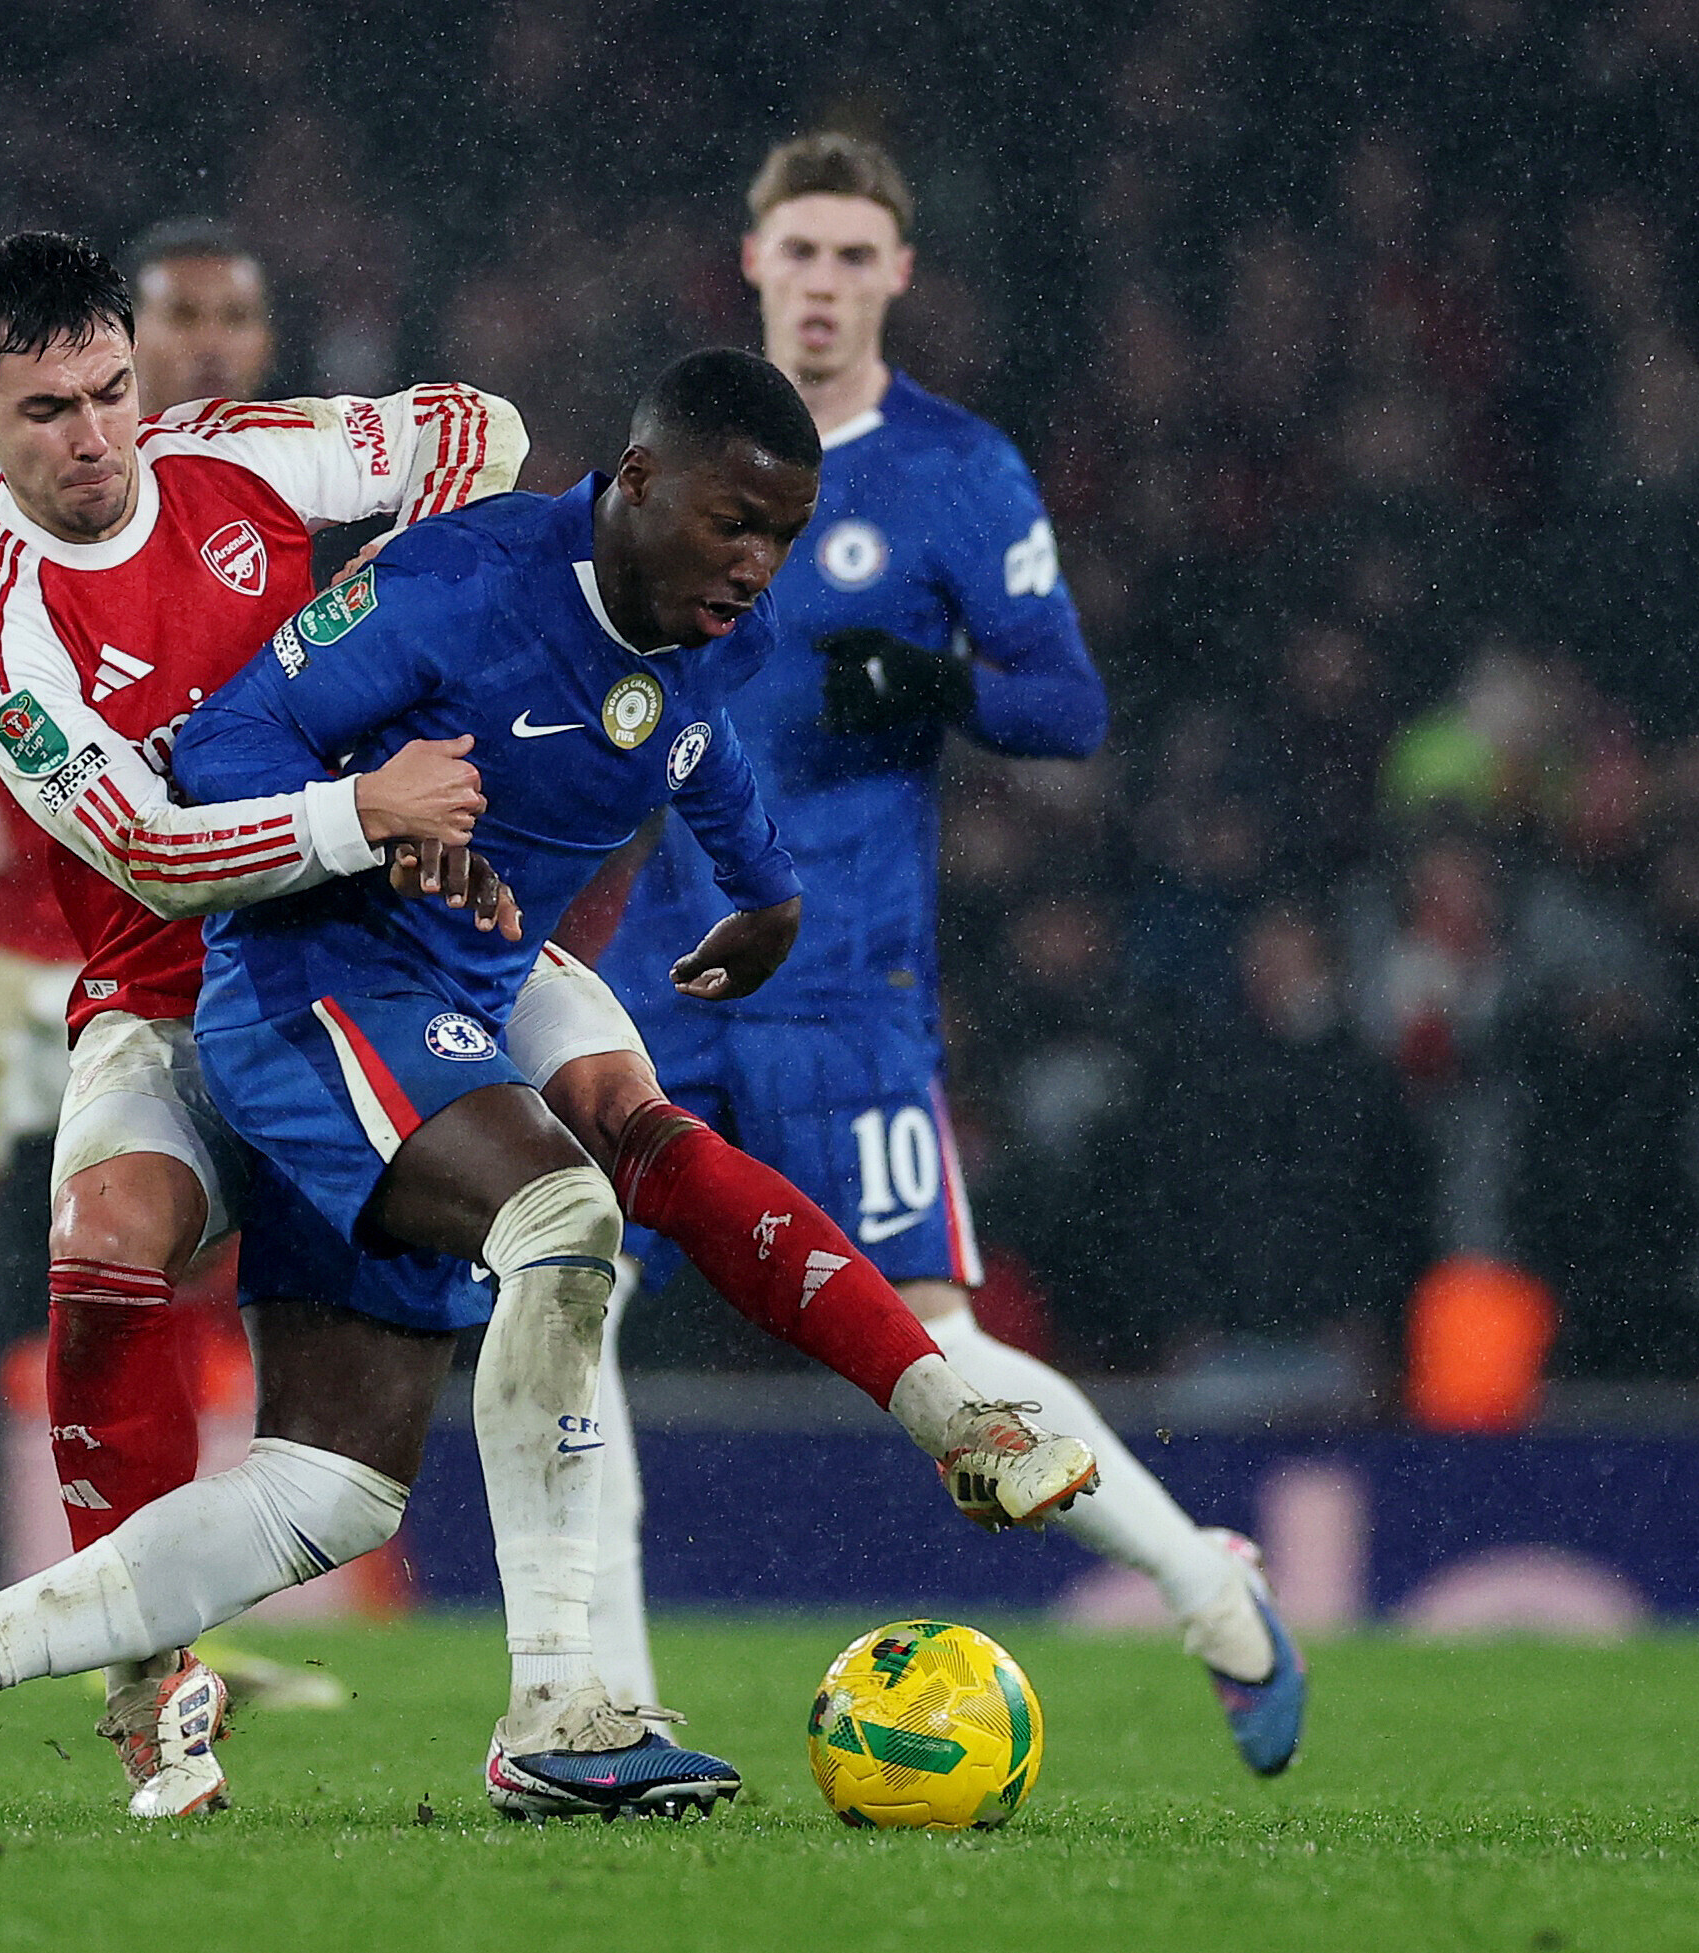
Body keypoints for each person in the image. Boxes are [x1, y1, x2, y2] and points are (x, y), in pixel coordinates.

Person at [0, 349, 1103, 1823]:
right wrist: (371, 807)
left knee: (337, 1485)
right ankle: (563, 1703)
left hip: (473, 979)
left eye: (783, 535)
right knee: (564, 1209)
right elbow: (223, 743)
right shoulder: (452, 583)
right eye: (735, 524)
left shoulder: (703, 621)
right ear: (638, 482)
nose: (758, 563)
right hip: (320, 980)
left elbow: (689, 737)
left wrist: (769, 890)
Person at [589, 134, 1305, 1774]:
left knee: (937, 1339)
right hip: (659, 970)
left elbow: (1071, 706)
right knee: (560, 1298)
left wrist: (937, 685)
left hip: (849, 987)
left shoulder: (957, 472)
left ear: (899, 274)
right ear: (751, 259)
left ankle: (1206, 1583)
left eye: (856, 256)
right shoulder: (668, 449)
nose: (823, 284)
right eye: (800, 251)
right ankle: (600, 1698)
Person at [0, 229, 526, 1820]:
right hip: (167, 996)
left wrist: (407, 628)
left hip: (369, 971)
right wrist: (363, 804)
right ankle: (147, 1690)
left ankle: (577, 1685)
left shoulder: (238, 454)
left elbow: (479, 428)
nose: (97, 437)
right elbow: (148, 852)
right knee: (105, 1237)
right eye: (47, 409)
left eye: (112, 391)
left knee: (572, 1205)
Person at [0, 221, 286, 1636]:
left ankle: (153, 1613)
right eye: (180, 317)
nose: (208, 347)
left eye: (233, 320)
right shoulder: (21, 499)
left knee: (173, 1263)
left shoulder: (260, 486)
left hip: (140, 933)